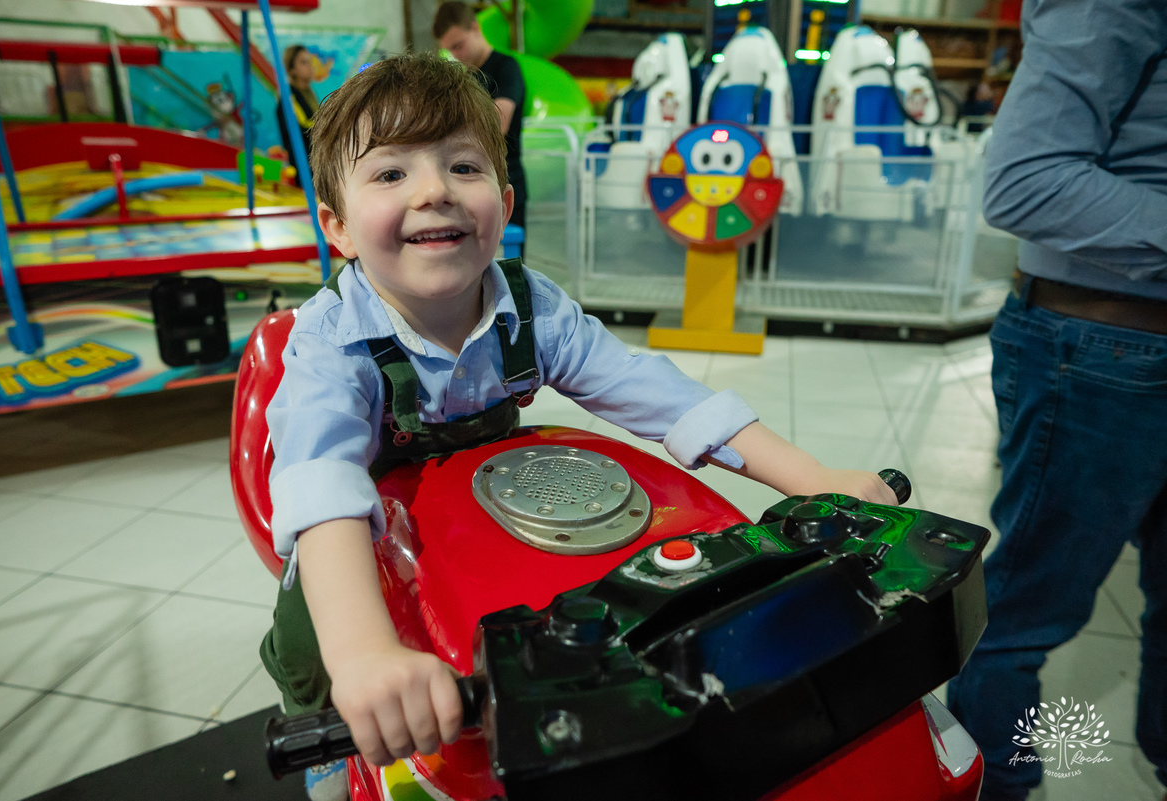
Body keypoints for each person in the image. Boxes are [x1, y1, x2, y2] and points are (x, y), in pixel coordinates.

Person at [260, 51, 896, 801]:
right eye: (392, 173)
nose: (434, 191)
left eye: (461, 167)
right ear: (335, 227)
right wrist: (362, 654)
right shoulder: (328, 340)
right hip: (369, 509)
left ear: (503, 198)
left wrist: (812, 479)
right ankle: (308, 710)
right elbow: (322, 485)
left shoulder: (532, 306)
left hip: (484, 489)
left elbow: (652, 390)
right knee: (310, 630)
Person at [944, 2, 1167, 800]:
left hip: (1123, 344)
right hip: (1106, 344)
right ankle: (995, 782)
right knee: (1030, 606)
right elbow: (1025, 181)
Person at [432, 2, 527, 249]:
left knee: (508, 264)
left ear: (475, 28)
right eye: (449, 51)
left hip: (506, 177)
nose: (456, 55)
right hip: (466, 180)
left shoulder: (507, 67)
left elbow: (498, 124)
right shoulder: (462, 78)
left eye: (458, 46)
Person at [277, 44, 319, 170]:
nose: (309, 66)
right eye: (303, 62)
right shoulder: (290, 98)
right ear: (292, 70)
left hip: (316, 161)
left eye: (309, 61)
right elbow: (305, 128)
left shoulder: (309, 94)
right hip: (304, 166)